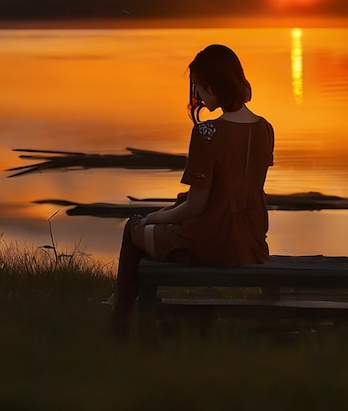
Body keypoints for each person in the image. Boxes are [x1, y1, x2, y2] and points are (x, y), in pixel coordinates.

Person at [111, 44, 274, 336]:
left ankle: (121, 321)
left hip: (212, 242)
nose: (196, 95)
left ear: (211, 86)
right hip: (251, 240)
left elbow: (197, 207)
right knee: (164, 216)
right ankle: (149, 312)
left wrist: (153, 218)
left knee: (132, 229)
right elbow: (240, 187)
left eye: (197, 86)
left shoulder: (207, 133)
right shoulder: (265, 128)